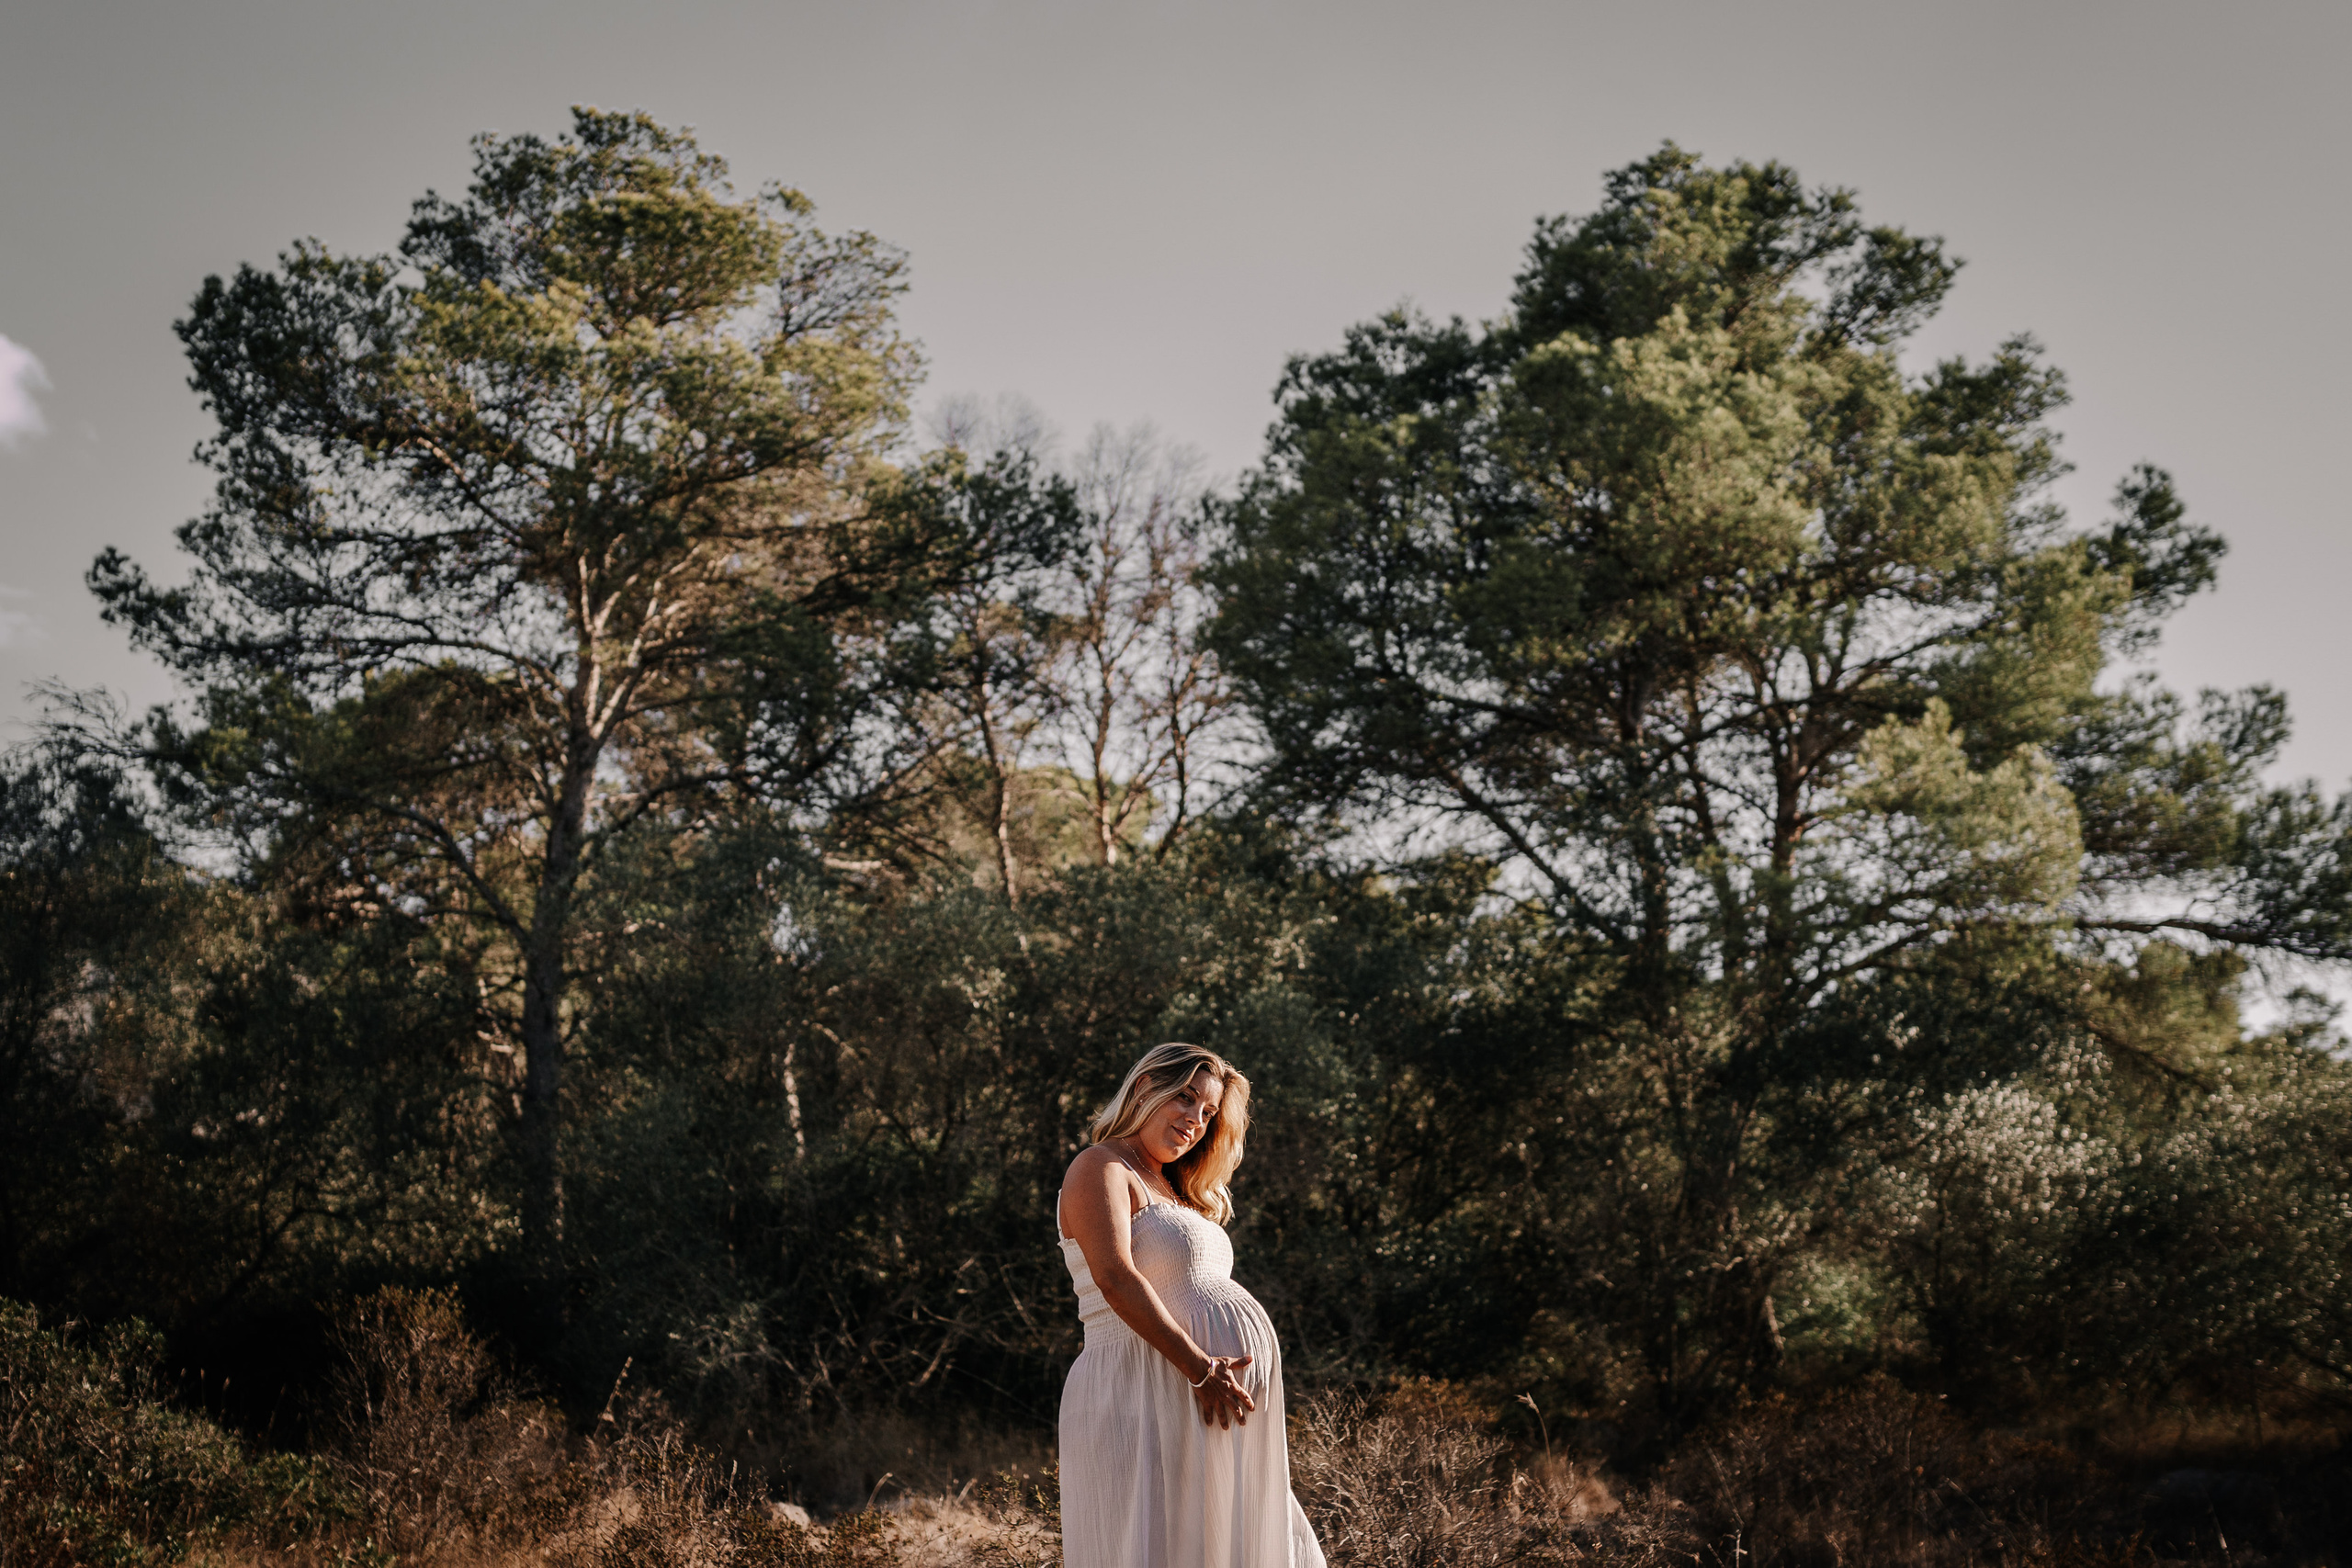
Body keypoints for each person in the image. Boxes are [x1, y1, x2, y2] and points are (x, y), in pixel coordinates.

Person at [1056, 1043, 1326, 1568]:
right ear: (1144, 1088)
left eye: (1208, 1112)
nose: (1195, 1120)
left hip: (1197, 1394)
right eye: (1185, 1097)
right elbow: (1115, 1278)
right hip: (1139, 1387)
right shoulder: (1100, 1166)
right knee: (1157, 1546)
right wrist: (1200, 1368)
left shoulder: (1173, 1188)